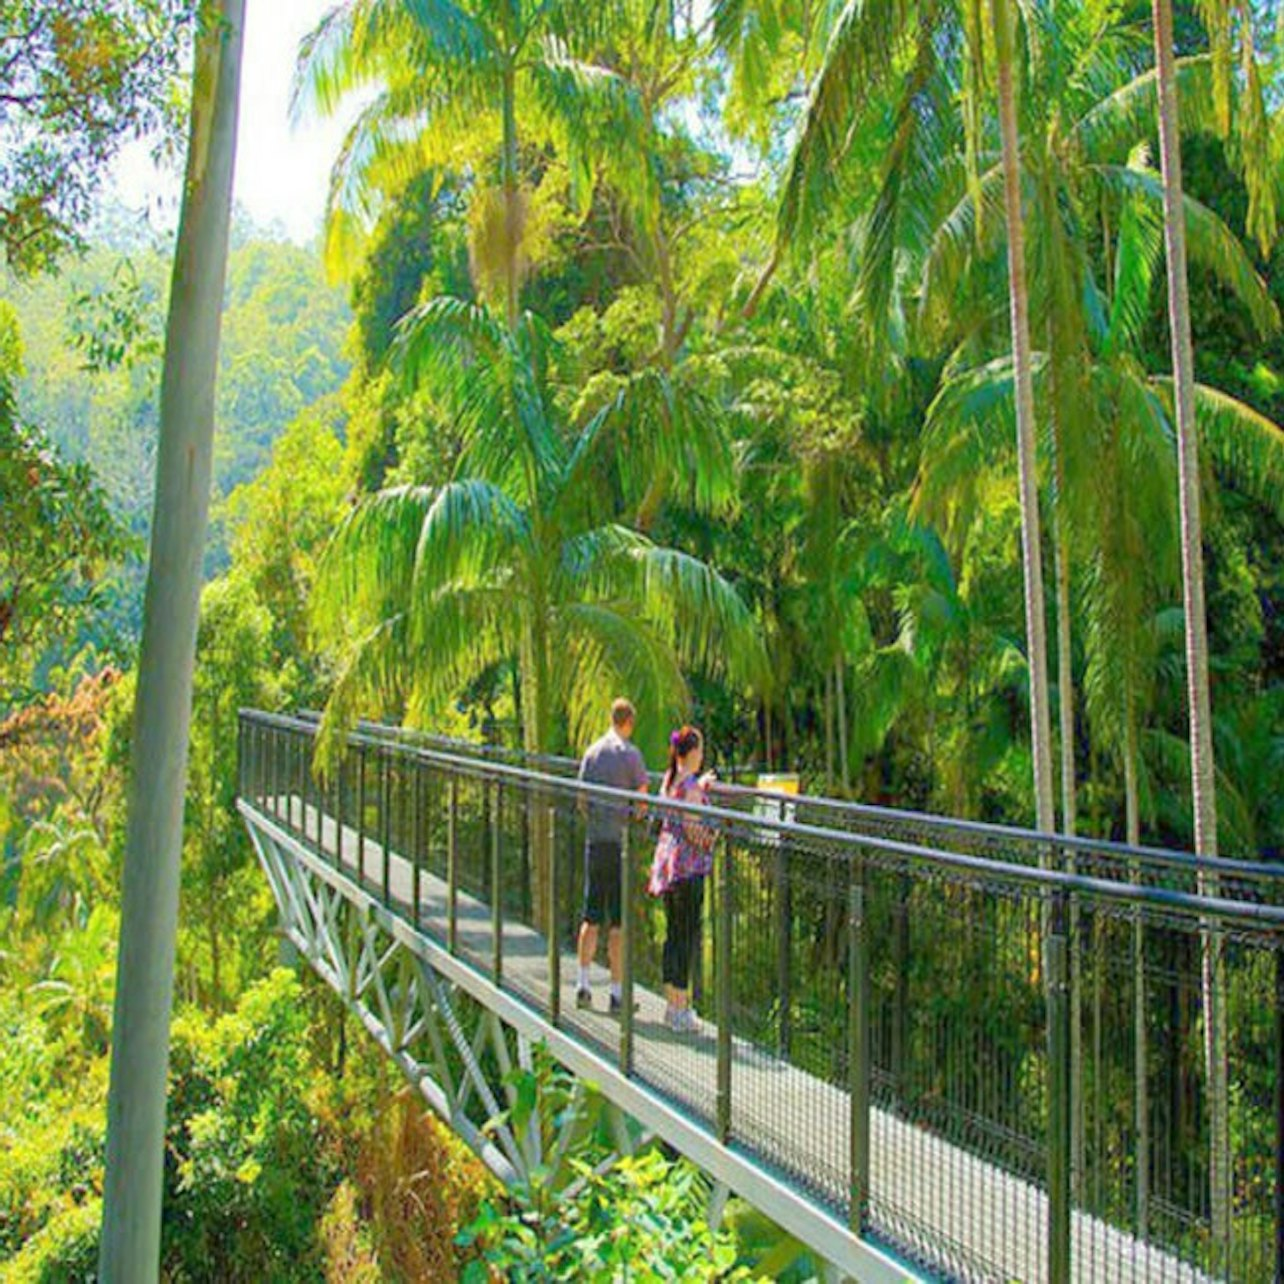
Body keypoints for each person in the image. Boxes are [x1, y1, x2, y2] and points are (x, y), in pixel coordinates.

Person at [575, 698, 649, 1013]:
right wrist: (631, 817)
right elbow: (643, 802)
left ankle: (582, 983)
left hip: (595, 841)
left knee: (591, 916)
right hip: (619, 844)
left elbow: (581, 798)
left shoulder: (592, 753)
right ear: (629, 722)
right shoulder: (631, 755)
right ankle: (617, 994)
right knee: (617, 922)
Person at [647, 725, 717, 1033]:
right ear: (691, 753)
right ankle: (681, 1009)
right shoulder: (690, 787)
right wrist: (713, 836)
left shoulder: (671, 779)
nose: (702, 755)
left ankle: (673, 1004)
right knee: (686, 935)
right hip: (688, 868)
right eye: (700, 749)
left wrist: (700, 786)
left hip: (668, 865)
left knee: (674, 932)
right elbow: (693, 829)